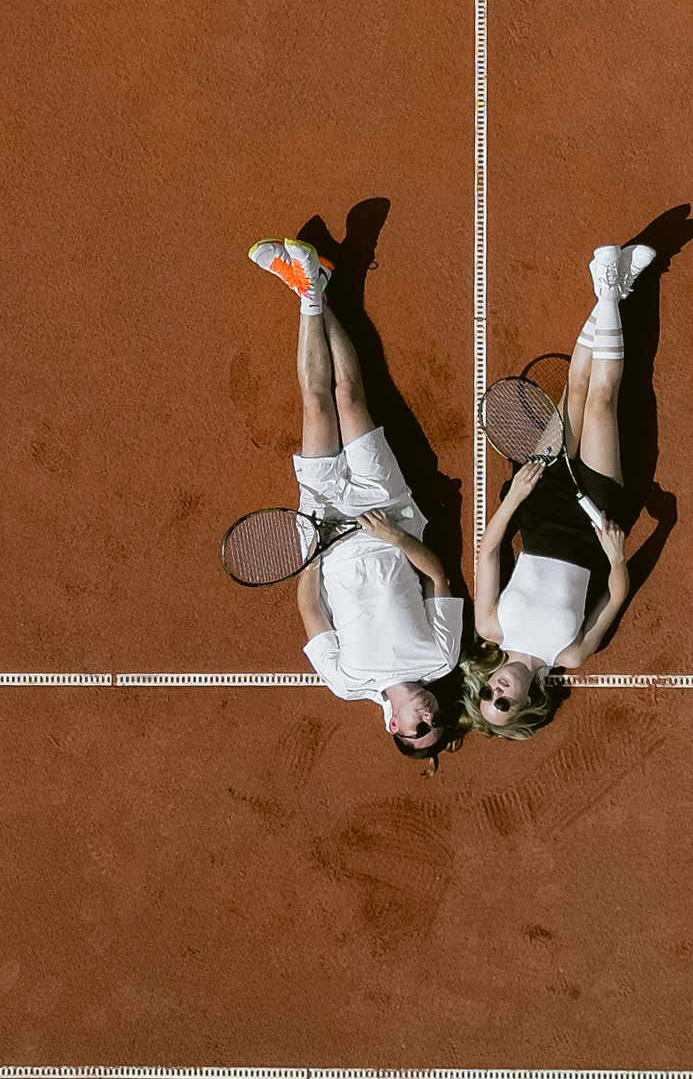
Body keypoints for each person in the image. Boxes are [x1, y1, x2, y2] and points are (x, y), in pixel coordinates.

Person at [249, 236, 468, 758]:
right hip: (387, 510)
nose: (429, 715)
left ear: (395, 727)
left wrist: (313, 552)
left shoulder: (346, 683)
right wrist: (394, 536)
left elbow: (311, 609)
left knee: (315, 404)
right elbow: (438, 577)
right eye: (437, 721)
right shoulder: (441, 659)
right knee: (348, 398)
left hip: (324, 526)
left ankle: (310, 290)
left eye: (421, 728)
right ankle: (311, 290)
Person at [470, 241, 652, 738]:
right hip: (592, 521)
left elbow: (489, 552)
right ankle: (610, 290)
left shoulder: (491, 627)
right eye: (504, 704)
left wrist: (514, 498)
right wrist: (616, 556)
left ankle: (611, 290)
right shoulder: (570, 654)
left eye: (487, 695)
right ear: (528, 702)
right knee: (601, 403)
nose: (497, 691)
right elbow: (615, 596)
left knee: (574, 392)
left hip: (536, 505)